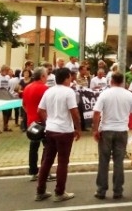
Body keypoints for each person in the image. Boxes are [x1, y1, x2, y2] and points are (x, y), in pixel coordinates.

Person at [35, 68, 81, 202]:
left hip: (50, 129)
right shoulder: (68, 92)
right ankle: (60, 192)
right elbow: (74, 112)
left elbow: (40, 110)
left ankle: (40, 190)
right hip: (64, 130)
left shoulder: (49, 91)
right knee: (62, 162)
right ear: (67, 78)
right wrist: (78, 128)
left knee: (47, 160)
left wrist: (48, 120)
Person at [92, 72, 132, 200]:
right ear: (122, 81)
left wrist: (95, 130)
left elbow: (96, 113)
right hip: (122, 130)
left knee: (103, 161)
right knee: (119, 162)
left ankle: (101, 190)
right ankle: (118, 190)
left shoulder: (105, 94)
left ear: (111, 80)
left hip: (106, 130)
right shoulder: (129, 95)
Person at [22, 67, 54, 182]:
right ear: (42, 76)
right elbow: (49, 106)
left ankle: (33, 171)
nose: (47, 78)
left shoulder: (27, 87)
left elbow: (24, 105)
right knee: (48, 148)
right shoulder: (45, 89)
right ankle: (45, 172)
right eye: (46, 75)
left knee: (33, 147)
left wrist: (30, 114)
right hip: (43, 122)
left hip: (31, 122)